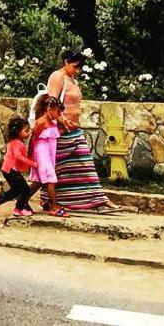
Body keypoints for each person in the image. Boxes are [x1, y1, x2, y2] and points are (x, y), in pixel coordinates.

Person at [44, 49, 116, 213]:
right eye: (75, 66)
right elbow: (51, 103)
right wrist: (63, 120)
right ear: (66, 62)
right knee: (59, 168)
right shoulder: (57, 77)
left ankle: (97, 199)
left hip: (73, 130)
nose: (78, 70)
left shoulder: (71, 79)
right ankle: (47, 200)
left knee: (82, 165)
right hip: (61, 131)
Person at [0, 117, 39, 217]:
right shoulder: (17, 143)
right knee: (25, 189)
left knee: (16, 190)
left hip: (7, 169)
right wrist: (33, 164)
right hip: (11, 170)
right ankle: (19, 208)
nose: (29, 133)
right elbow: (18, 156)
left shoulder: (14, 142)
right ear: (18, 132)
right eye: (26, 131)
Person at [31, 94, 68, 216]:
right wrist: (29, 157)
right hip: (42, 153)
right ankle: (54, 206)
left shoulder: (52, 122)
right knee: (50, 178)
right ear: (49, 110)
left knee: (38, 181)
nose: (59, 114)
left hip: (48, 154)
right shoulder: (41, 122)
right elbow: (33, 138)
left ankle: (21, 201)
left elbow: (55, 134)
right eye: (58, 111)